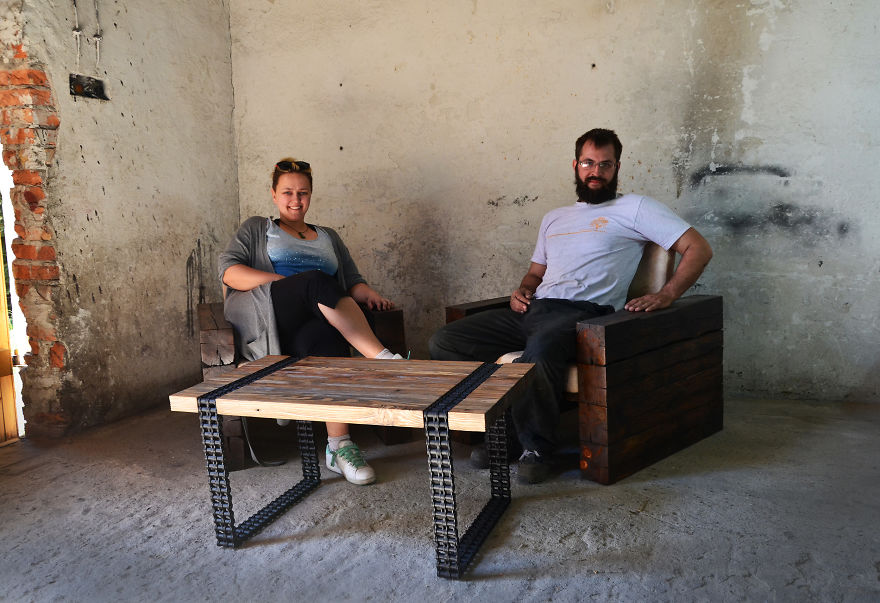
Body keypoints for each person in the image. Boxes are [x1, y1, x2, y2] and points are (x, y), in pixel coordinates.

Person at [429, 129, 713, 484]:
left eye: (605, 164)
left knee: (542, 347)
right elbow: (536, 272)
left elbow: (698, 248)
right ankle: (504, 429)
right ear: (576, 165)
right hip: (535, 310)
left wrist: (667, 295)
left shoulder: (635, 208)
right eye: (588, 163)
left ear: (617, 167)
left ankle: (535, 446)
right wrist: (523, 289)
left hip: (586, 314)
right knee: (446, 342)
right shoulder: (554, 217)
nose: (596, 171)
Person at [219, 158, 402, 486]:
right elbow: (229, 271)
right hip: (271, 316)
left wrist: (369, 293)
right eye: (287, 192)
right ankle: (384, 361)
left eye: (303, 192)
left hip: (314, 319)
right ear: (274, 194)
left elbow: (351, 282)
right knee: (314, 280)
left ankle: (339, 447)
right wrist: (288, 285)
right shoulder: (257, 228)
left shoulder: (328, 236)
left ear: (311, 195)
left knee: (326, 341)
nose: (295, 199)